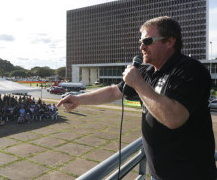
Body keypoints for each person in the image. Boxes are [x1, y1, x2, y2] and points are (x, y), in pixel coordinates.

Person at [57, 16, 216, 180]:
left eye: (147, 41)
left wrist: (138, 83)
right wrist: (78, 99)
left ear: (170, 41)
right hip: (158, 174)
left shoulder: (190, 70)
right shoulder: (148, 72)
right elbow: (114, 91)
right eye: (141, 42)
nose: (142, 47)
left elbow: (174, 118)